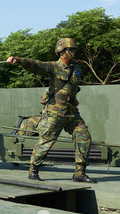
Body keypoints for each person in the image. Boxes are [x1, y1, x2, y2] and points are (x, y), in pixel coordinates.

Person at [6, 38, 96, 183]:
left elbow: (73, 86)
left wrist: (73, 98)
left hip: (71, 112)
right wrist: (18, 60)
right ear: (61, 51)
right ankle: (33, 170)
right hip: (54, 112)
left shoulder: (77, 68)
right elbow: (35, 65)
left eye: (74, 50)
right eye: (70, 49)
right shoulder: (53, 67)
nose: (73, 52)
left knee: (84, 137)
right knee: (46, 141)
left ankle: (79, 173)